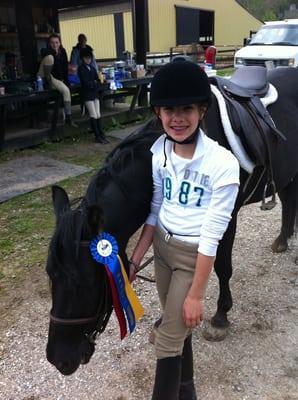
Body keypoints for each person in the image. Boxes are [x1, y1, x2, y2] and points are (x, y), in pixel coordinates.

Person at [129, 61, 240, 400]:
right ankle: (186, 389)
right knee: (179, 330)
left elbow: (212, 237)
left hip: (194, 258)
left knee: (166, 339)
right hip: (162, 251)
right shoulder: (159, 151)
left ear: (202, 110)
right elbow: (156, 209)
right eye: (169, 110)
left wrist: (196, 294)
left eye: (186, 109)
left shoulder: (222, 165)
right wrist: (135, 259)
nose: (177, 118)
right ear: (158, 113)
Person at [38, 33, 77, 127]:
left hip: (60, 78)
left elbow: (65, 68)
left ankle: (68, 117)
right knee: (66, 91)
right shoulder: (47, 52)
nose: (54, 45)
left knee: (67, 89)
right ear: (49, 44)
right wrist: (53, 53)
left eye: (56, 42)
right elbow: (44, 53)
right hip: (48, 77)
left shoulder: (63, 51)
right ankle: (69, 118)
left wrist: (66, 81)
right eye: (52, 43)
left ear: (60, 43)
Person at [78, 47, 109, 144]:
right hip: (87, 94)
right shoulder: (81, 69)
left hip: (94, 93)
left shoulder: (92, 68)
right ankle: (97, 136)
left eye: (89, 58)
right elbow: (85, 82)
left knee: (98, 114)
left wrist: (100, 80)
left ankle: (102, 134)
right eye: (86, 58)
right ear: (83, 58)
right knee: (93, 114)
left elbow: (96, 79)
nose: (88, 60)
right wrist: (95, 82)